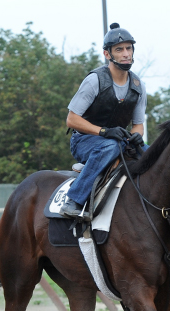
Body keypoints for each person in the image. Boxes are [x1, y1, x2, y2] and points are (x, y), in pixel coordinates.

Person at [60, 23, 147, 218]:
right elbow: (71, 120)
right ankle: (74, 201)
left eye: (129, 48)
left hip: (119, 141)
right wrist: (104, 132)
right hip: (84, 141)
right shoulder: (95, 80)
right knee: (110, 147)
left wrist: (136, 136)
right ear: (107, 54)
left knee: (153, 153)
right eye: (119, 49)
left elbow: (138, 125)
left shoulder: (138, 86)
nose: (126, 54)